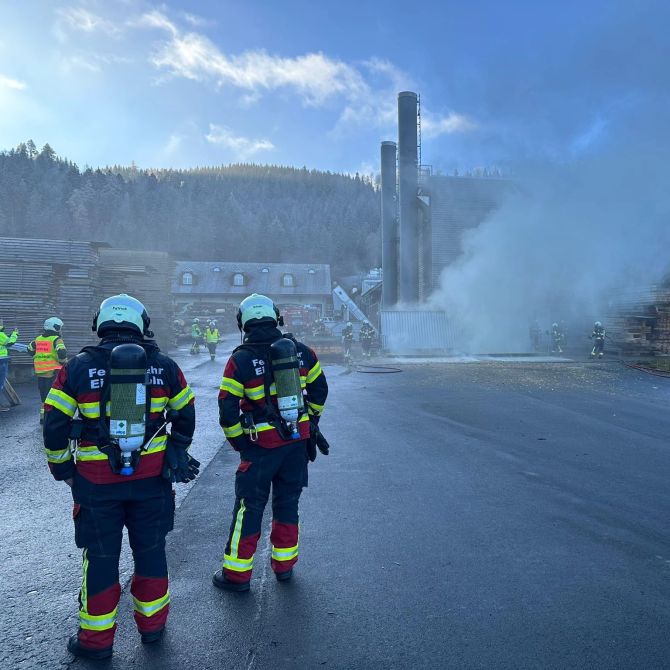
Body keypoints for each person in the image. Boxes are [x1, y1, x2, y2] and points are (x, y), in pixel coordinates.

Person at [42, 294, 198, 660]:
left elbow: (54, 425)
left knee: (100, 558)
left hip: (96, 485)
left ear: (100, 324)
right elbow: (186, 412)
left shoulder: (77, 367)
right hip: (151, 483)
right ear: (141, 325)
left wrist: (64, 470)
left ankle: (96, 644)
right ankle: (153, 628)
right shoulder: (165, 366)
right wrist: (176, 446)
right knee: (151, 553)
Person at [214, 293, 328, 591]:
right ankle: (285, 567)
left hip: (260, 448)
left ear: (244, 323)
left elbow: (227, 408)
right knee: (288, 503)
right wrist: (310, 422)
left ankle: (237, 576)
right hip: (296, 446)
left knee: (249, 508)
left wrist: (241, 443)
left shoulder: (240, 360)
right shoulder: (302, 352)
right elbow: (319, 391)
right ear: (277, 318)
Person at [28, 317, 67, 423]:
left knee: (44, 396)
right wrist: (63, 362)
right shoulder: (56, 339)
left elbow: (29, 349)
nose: (60, 330)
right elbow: (62, 352)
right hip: (54, 372)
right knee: (56, 395)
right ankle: (54, 417)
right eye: (59, 328)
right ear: (55, 327)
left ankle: (43, 417)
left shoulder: (38, 339)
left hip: (41, 372)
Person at [0, 319, 19, 411]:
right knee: (0, 383)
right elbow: (10, 342)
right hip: (1, 360)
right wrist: (15, 334)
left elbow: (4, 341)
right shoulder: (0, 334)